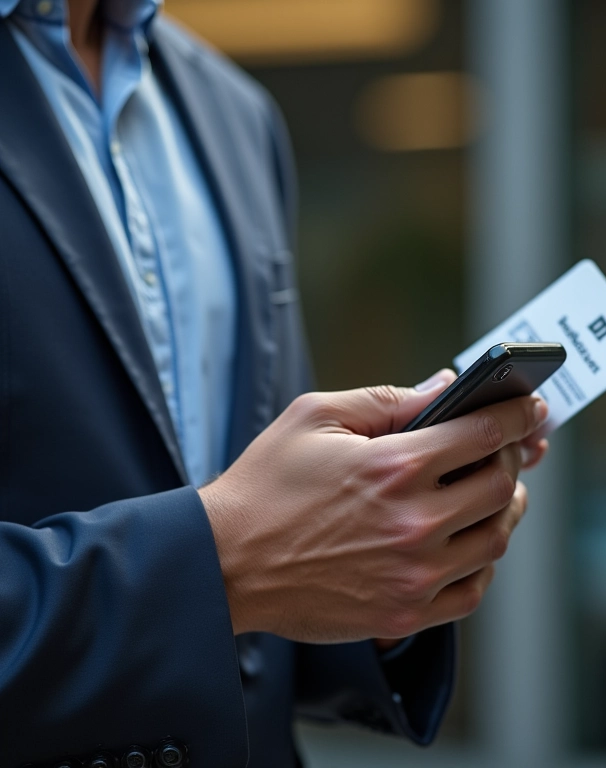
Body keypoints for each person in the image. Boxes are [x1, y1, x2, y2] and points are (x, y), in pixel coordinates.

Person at [0, 0, 551, 765]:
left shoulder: (233, 112)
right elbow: (239, 558)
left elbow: (260, 629)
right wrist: (225, 563)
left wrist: (381, 565)